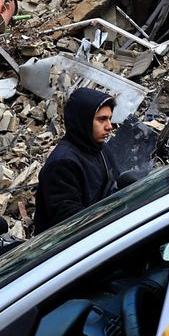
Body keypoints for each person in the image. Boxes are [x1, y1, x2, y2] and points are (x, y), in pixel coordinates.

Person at [32, 87, 116, 234]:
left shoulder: (101, 149)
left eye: (109, 119)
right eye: (101, 119)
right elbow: (70, 221)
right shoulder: (63, 164)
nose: (109, 126)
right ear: (83, 120)